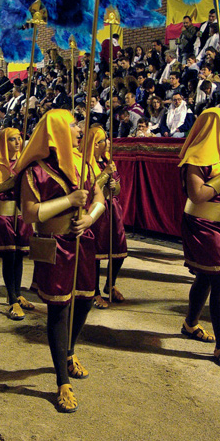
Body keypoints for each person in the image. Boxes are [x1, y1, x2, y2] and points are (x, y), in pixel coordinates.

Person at [17, 109, 105, 412]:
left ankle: (69, 350)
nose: (79, 131)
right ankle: (62, 381)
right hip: (53, 244)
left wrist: (90, 218)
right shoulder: (35, 171)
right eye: (72, 126)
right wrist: (69, 201)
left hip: (83, 241)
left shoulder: (84, 165)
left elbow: (100, 201)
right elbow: (29, 213)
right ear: (56, 134)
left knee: (86, 300)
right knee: (59, 308)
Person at [178, 108, 220, 371]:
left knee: (206, 276)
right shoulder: (196, 157)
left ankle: (190, 324)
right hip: (202, 224)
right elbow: (197, 195)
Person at [0, 128, 33, 320]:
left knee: (20, 255)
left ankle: (18, 293)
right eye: (13, 139)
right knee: (10, 256)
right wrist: (9, 183)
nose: (17, 142)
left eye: (19, 139)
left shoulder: (25, 162)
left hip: (21, 215)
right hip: (4, 215)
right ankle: (12, 298)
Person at [82, 126, 128, 309]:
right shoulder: (86, 163)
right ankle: (95, 292)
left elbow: (117, 188)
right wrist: (105, 175)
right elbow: (91, 186)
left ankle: (110, 283)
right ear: (95, 144)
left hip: (113, 208)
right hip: (96, 209)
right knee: (97, 252)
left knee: (119, 248)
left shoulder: (109, 160)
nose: (107, 143)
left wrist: (113, 184)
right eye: (103, 140)